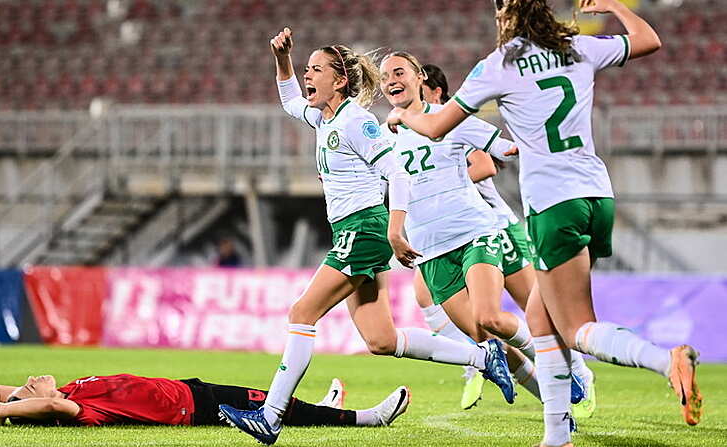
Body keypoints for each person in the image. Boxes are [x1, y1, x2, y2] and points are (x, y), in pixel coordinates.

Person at [386, 0, 701, 445]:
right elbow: (650, 40)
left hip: (553, 204)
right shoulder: (576, 46)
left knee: (575, 327)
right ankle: (557, 435)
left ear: (504, 16)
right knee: (540, 317)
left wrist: (403, 117)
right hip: (596, 193)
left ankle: (664, 361)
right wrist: (612, 5)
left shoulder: (499, 64)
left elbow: (437, 128)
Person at [217, 27, 514, 446]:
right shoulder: (323, 115)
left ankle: (271, 416)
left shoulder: (356, 121)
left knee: (302, 313)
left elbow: (396, 170)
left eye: (315, 70)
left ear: (339, 81)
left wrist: (394, 229)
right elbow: (288, 100)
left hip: (365, 227)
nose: (306, 76)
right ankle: (482, 356)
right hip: (351, 229)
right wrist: (282, 58)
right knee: (381, 340)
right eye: (306, 69)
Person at [416, 62, 597, 418]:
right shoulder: (413, 127)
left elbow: (485, 165)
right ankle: (479, 359)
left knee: (535, 304)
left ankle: (578, 370)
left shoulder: (449, 123)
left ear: (435, 91)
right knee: (433, 299)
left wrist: (444, 185)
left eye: (418, 87)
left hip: (494, 226)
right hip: (452, 234)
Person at [0, 375, 409, 428]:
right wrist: (10, 410)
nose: (32, 380)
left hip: (187, 389)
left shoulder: (66, 391)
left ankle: (325, 406)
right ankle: (367, 419)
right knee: (275, 406)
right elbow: (45, 407)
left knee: (273, 397)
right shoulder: (73, 409)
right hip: (192, 409)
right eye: (30, 387)